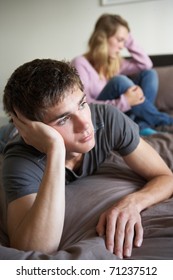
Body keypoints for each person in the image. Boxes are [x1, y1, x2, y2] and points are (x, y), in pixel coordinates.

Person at [2, 58, 173, 259]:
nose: (85, 124)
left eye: (82, 104)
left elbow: (165, 176)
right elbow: (34, 248)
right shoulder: (20, 159)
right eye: (63, 119)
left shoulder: (107, 119)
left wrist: (133, 202)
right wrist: (55, 150)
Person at [71, 14, 173, 136]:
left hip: (123, 114)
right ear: (102, 38)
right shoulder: (80, 63)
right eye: (119, 40)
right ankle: (166, 121)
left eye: (124, 42)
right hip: (101, 117)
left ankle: (141, 126)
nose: (122, 46)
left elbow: (146, 64)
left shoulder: (115, 62)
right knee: (119, 81)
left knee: (149, 74)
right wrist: (124, 101)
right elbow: (84, 105)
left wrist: (128, 39)